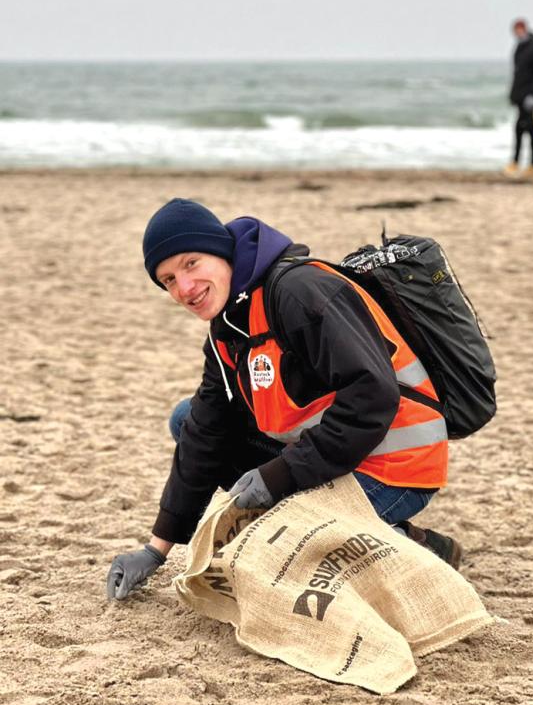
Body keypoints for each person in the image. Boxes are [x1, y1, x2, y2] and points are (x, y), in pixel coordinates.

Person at [106, 198, 461, 601]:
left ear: (222, 252)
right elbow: (205, 431)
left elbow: (371, 397)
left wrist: (280, 476)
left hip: (397, 464)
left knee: (281, 550)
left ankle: (415, 547)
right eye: (168, 279)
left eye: (191, 264)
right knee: (186, 419)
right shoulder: (227, 325)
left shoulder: (297, 292)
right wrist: (156, 550)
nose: (184, 288)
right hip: (339, 454)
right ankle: (393, 534)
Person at [503, 18, 533, 180]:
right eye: (515, 31)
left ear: (525, 29)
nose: (517, 33)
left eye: (519, 30)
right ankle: (515, 163)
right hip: (519, 97)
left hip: (529, 97)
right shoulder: (518, 48)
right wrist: (513, 96)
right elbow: (517, 75)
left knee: (532, 131)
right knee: (519, 130)